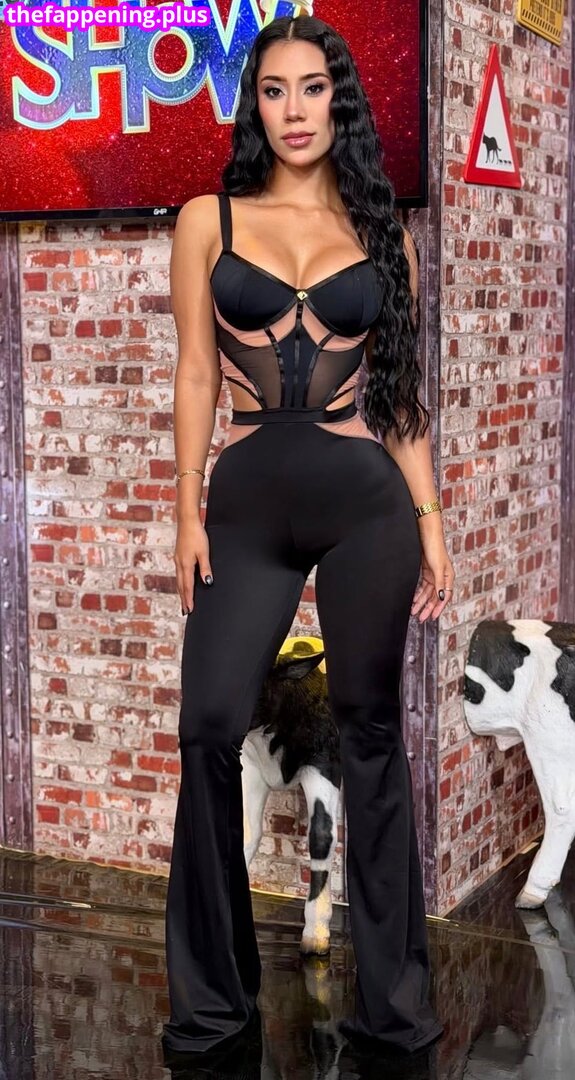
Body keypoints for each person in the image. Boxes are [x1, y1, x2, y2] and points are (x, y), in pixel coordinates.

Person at [162, 9, 455, 1062]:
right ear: (255, 106)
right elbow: (196, 371)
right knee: (210, 725)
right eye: (273, 89)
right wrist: (185, 509)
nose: (293, 109)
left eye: (312, 88)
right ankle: (213, 1004)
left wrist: (430, 525)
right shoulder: (208, 219)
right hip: (246, 503)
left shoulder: (383, 234)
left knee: (368, 733)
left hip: (364, 503)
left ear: (340, 103)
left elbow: (399, 400)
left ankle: (391, 1008)